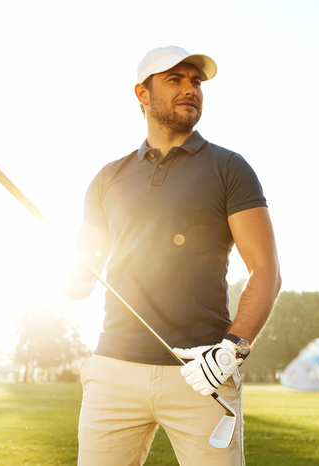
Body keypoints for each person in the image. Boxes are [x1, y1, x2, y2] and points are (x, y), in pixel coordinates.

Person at [62, 45, 282, 466]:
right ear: (142, 94)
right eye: (176, 80)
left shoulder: (230, 168)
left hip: (203, 374)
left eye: (196, 82)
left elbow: (266, 269)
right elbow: (78, 282)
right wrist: (61, 267)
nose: (191, 90)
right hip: (113, 371)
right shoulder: (108, 178)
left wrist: (233, 348)